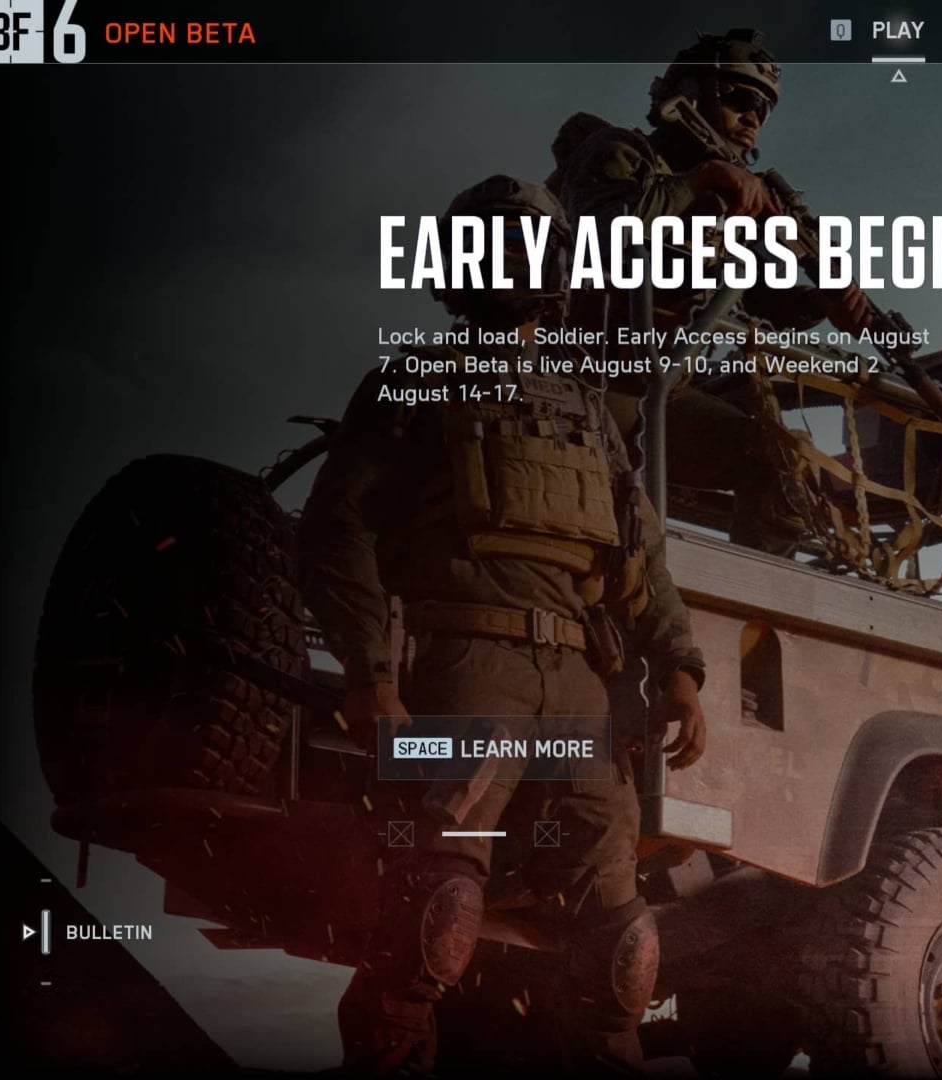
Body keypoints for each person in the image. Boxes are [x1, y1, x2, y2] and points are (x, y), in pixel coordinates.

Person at [299, 175, 707, 1073]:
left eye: (532, 244)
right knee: (432, 920)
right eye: (496, 243)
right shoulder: (415, 381)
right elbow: (338, 531)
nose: (516, 259)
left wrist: (680, 668)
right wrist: (370, 677)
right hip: (463, 672)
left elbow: (639, 559)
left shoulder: (589, 415)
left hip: (575, 692)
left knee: (620, 948)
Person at [547, 28, 878, 554]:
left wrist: (823, 302)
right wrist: (702, 180)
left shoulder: (732, 200)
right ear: (692, 91)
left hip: (665, 394)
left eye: (763, 109)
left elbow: (758, 300)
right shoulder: (620, 153)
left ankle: (754, 609)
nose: (753, 118)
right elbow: (605, 233)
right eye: (740, 99)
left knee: (780, 460)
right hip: (586, 382)